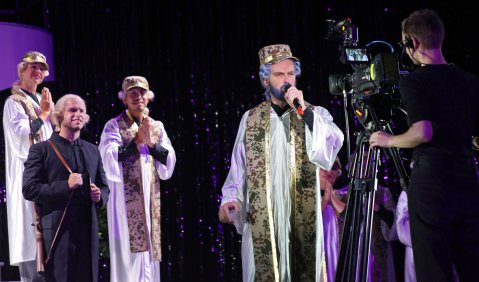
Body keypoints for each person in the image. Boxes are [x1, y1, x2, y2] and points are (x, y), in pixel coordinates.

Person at [369, 9, 479, 281]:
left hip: (433, 187)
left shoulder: (414, 81)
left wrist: (388, 140)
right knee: (471, 267)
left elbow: (423, 132)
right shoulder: (469, 80)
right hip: (467, 180)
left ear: (412, 43)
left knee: (434, 269)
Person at [218, 44, 344, 281]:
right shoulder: (251, 119)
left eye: (290, 74)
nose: (287, 80)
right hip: (262, 216)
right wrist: (230, 199)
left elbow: (332, 144)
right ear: (266, 80)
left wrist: (304, 111)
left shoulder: (314, 114)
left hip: (301, 216)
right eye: (279, 74)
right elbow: (238, 168)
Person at [22, 94, 110, 282]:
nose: (78, 114)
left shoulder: (92, 150)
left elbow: (104, 186)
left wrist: (99, 195)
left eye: (81, 111)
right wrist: (65, 186)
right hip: (58, 231)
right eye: (72, 110)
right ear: (59, 115)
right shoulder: (42, 149)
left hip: (87, 230)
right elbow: (29, 189)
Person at [99, 76, 176, 282]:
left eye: (142, 92)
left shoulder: (156, 126)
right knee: (127, 253)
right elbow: (109, 158)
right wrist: (137, 141)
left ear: (148, 97)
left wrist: (152, 145)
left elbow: (169, 160)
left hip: (151, 199)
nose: (138, 97)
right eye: (132, 93)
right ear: (124, 98)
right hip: (125, 202)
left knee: (150, 252)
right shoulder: (114, 125)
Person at [2, 51, 54, 281]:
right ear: (22, 69)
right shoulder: (14, 102)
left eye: (41, 68)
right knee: (31, 237)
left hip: (47, 177)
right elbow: (23, 137)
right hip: (28, 176)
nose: (38, 71)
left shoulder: (39, 103)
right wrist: (44, 114)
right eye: (33, 66)